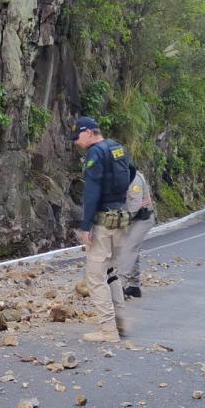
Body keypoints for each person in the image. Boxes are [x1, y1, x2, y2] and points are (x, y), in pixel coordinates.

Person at [69, 117, 135, 343]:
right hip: (121, 220)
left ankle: (108, 331)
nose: (76, 142)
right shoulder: (117, 148)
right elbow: (132, 171)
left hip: (103, 223)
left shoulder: (95, 153)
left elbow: (91, 191)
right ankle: (120, 322)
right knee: (110, 272)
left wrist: (85, 226)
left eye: (77, 136)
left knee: (95, 277)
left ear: (88, 132)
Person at [112, 170, 155, 303]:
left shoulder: (133, 178)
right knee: (132, 249)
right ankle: (134, 286)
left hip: (142, 218)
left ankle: (120, 286)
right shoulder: (120, 176)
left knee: (128, 249)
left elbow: (135, 205)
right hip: (132, 219)